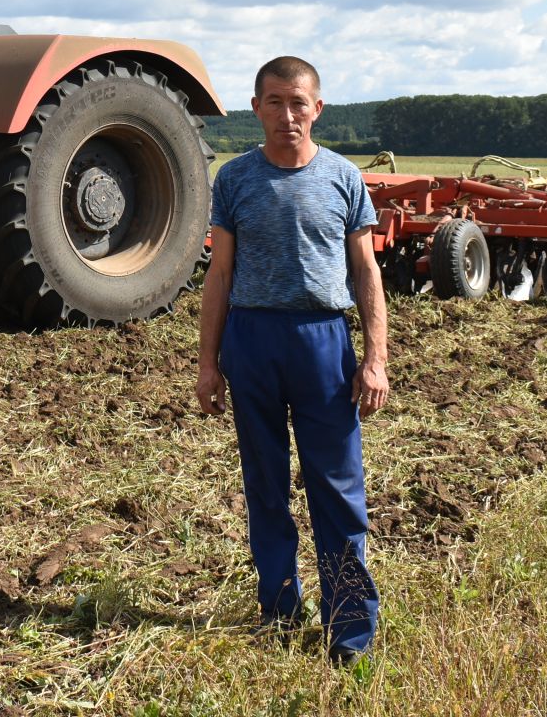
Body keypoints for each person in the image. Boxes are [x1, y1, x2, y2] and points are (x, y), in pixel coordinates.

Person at [196, 55, 390, 664]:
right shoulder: (235, 179)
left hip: (322, 343)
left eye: (298, 102)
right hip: (251, 342)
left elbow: (366, 272)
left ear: (318, 108)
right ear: (255, 109)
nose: (287, 115)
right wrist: (208, 362)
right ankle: (279, 613)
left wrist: (375, 357)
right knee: (266, 487)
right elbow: (220, 273)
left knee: (336, 488)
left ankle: (349, 630)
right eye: (274, 102)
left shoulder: (342, 177)